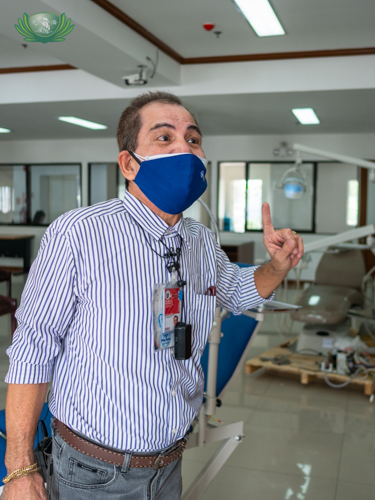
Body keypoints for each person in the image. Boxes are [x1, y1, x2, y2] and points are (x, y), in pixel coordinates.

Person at [2, 91, 303, 500]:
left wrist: (277, 266)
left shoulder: (200, 239)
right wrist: (20, 468)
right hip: (93, 472)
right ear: (129, 163)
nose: (186, 148)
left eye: (193, 140)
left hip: (169, 464)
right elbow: (33, 348)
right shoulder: (79, 234)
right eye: (164, 138)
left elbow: (238, 292)